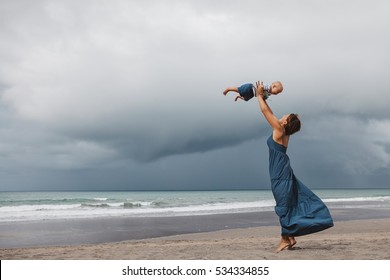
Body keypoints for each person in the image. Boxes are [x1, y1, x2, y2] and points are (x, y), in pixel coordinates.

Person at [255, 81, 334, 252]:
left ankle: (284, 238)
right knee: (287, 203)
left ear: (284, 123)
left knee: (283, 206)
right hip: (284, 172)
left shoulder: (279, 129)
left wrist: (259, 97)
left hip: (280, 174)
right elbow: (270, 112)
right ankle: (290, 236)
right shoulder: (284, 132)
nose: (280, 116)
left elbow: (265, 111)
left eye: (284, 116)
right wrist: (262, 95)